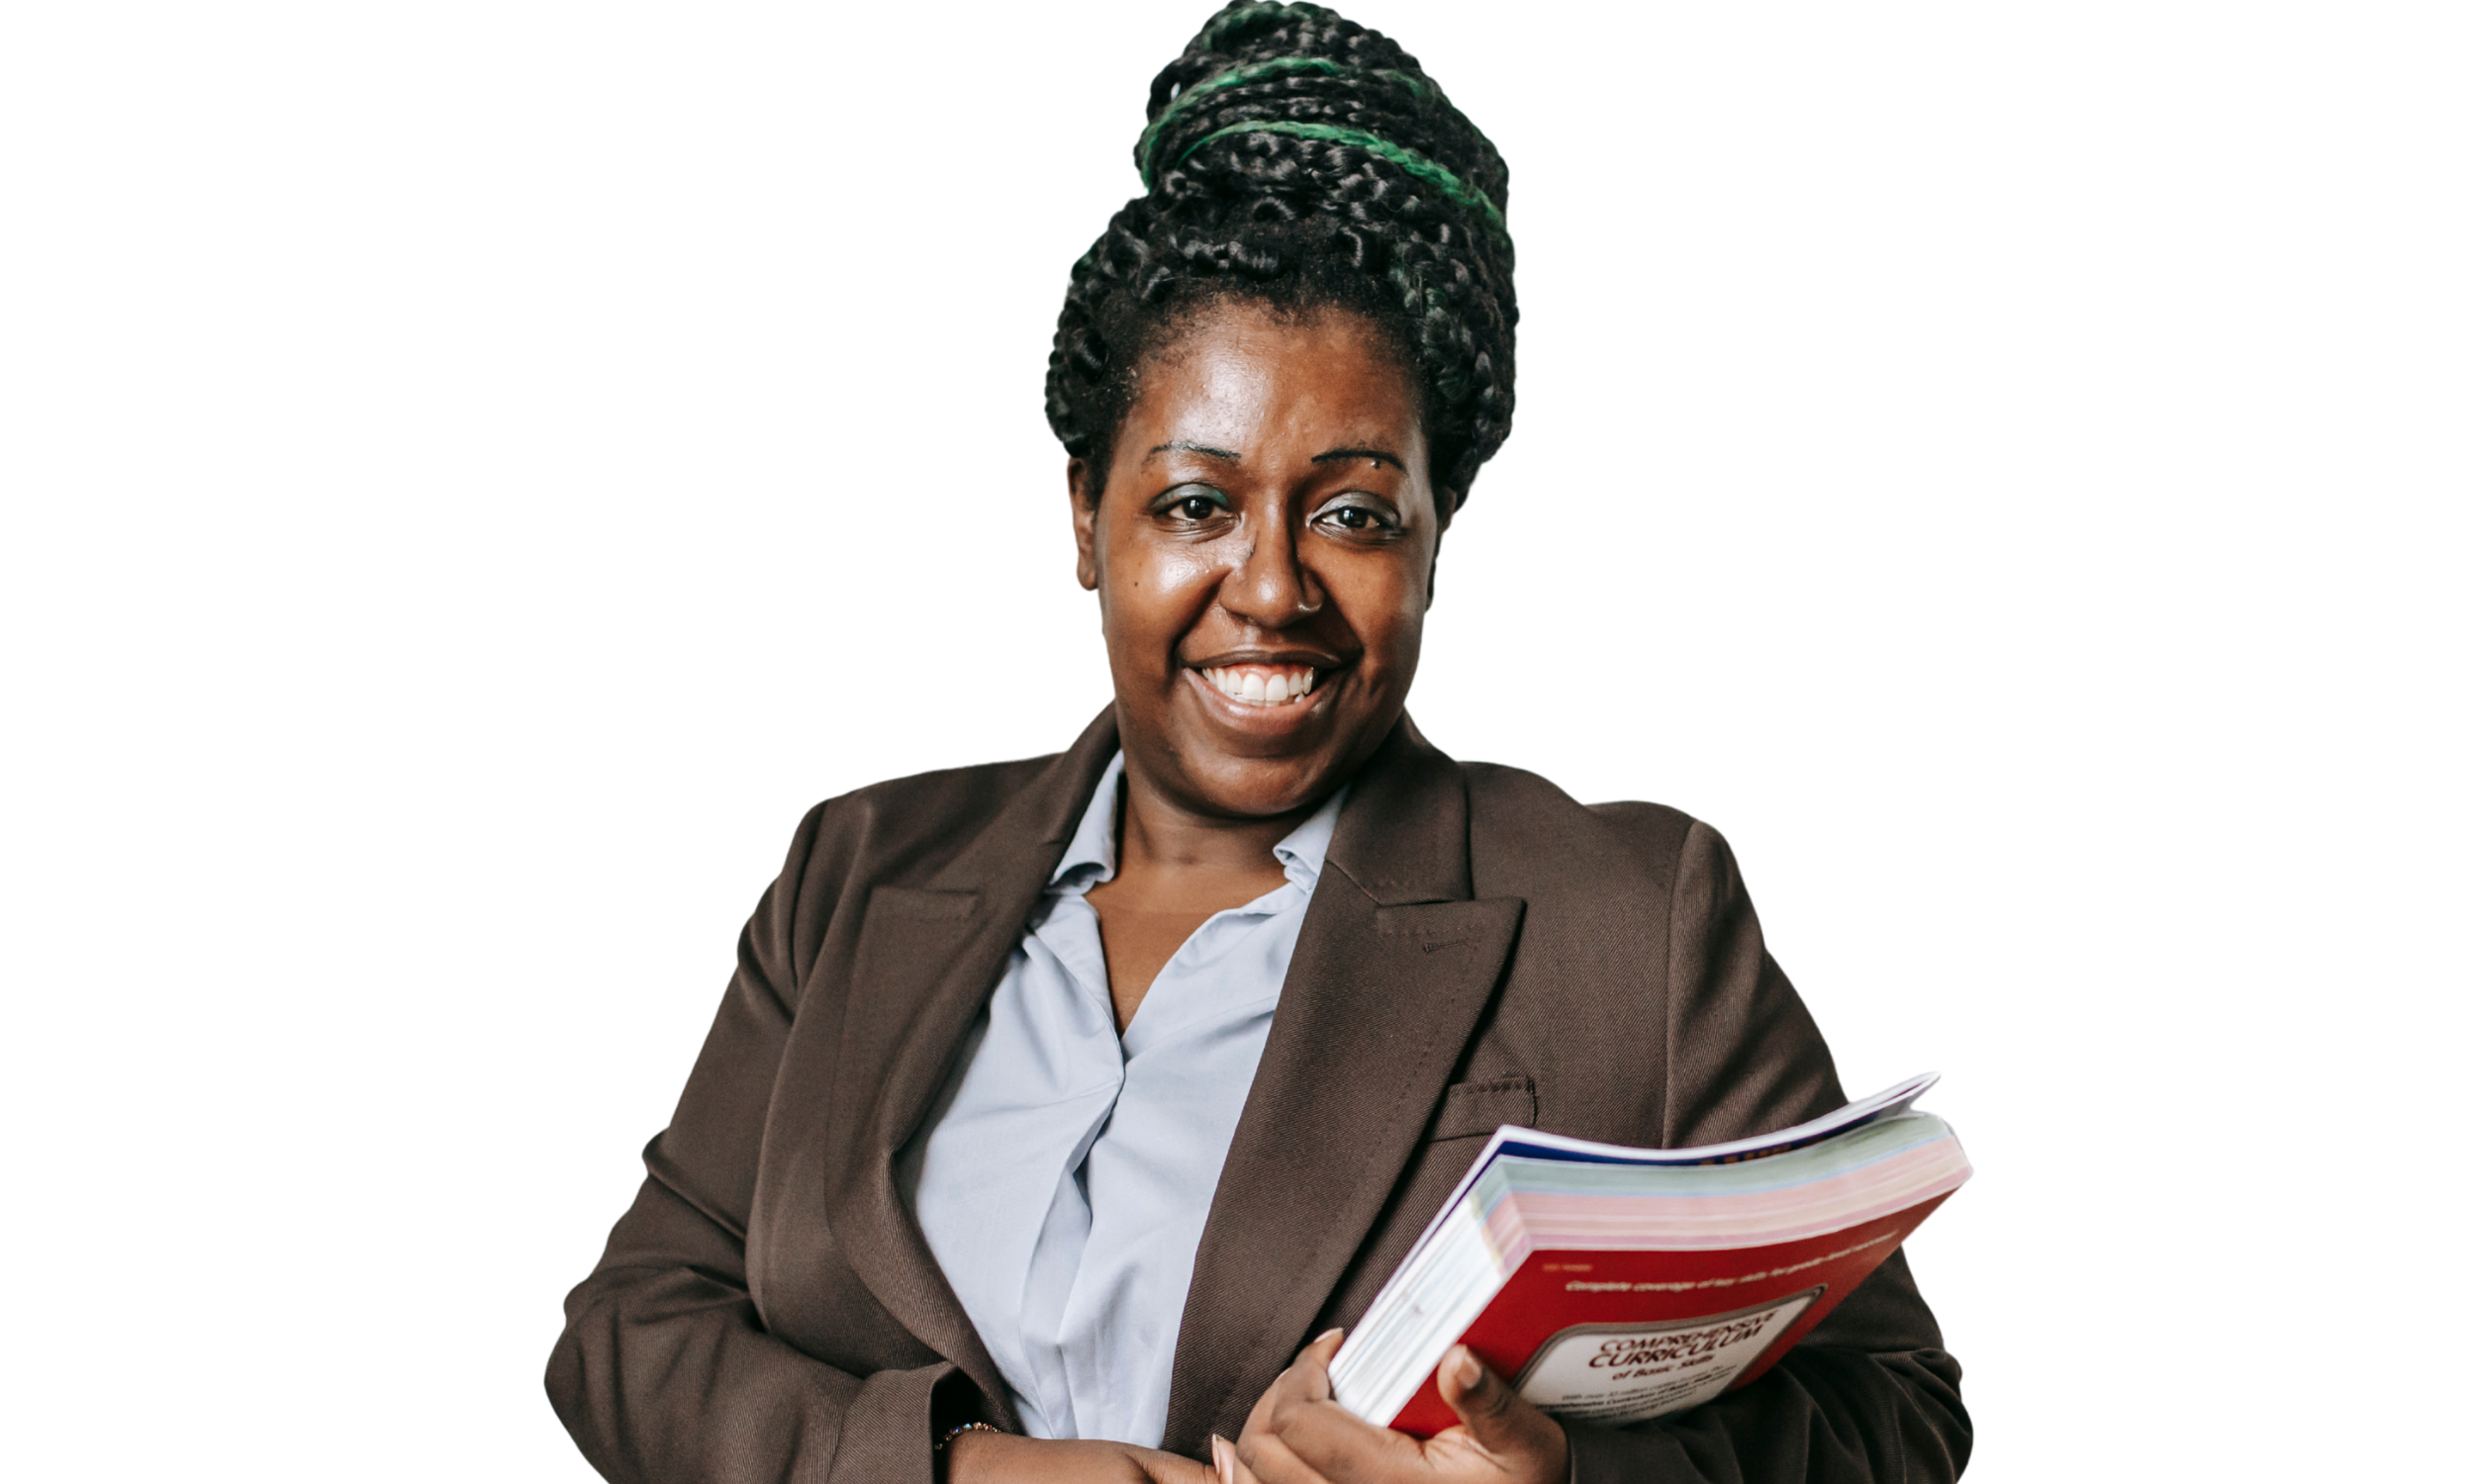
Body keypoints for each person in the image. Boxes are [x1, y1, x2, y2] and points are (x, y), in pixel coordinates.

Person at [543, 4, 1972, 1480]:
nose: (1276, 587)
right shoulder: (857, 867)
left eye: (1352, 513)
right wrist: (957, 1469)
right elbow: (634, 1326)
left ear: (1436, 536)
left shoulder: (1633, 918)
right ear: (1088, 521)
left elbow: (1902, 1423)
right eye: (1194, 504)